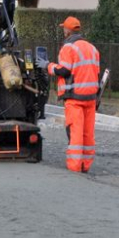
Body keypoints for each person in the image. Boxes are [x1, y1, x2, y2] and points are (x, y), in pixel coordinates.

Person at [36, 16, 100, 173]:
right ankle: (86, 165)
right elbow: (95, 72)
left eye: (63, 28)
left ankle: (75, 167)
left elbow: (64, 71)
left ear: (67, 30)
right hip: (91, 97)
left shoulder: (68, 48)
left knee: (76, 133)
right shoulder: (92, 48)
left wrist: (47, 65)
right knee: (88, 133)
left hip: (74, 97)